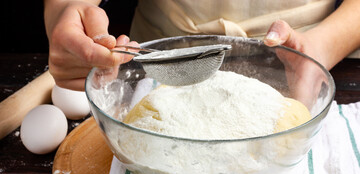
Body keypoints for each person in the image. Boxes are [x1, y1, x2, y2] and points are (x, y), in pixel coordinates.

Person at [44, 0, 360, 91]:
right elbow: (69, 5)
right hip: (154, 68)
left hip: (304, 62)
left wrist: (321, 47)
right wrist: (66, 14)